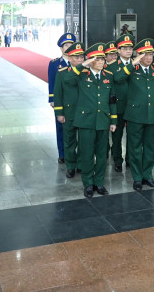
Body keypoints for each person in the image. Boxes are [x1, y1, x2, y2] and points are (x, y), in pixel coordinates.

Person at [61, 43, 117, 197]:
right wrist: (84, 64)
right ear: (91, 60)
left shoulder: (108, 76)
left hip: (103, 121)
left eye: (102, 59)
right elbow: (67, 79)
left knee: (101, 155)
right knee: (86, 154)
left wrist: (113, 121)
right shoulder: (81, 74)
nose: (102, 62)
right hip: (86, 121)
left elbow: (112, 100)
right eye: (98, 59)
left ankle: (99, 182)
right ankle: (88, 184)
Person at [117, 39, 154, 190]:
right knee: (135, 147)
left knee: (149, 147)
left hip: (151, 114)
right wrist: (132, 63)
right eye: (145, 54)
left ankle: (148, 176)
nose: (149, 57)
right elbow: (118, 78)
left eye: (151, 54)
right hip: (135, 114)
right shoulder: (131, 69)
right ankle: (137, 177)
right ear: (138, 55)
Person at [53, 42, 85, 178]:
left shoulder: (87, 72)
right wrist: (59, 113)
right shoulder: (62, 73)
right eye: (76, 57)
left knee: (84, 141)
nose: (79, 60)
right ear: (70, 58)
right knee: (70, 141)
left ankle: (82, 164)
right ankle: (71, 165)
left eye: (81, 57)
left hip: (84, 113)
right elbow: (58, 94)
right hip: (69, 112)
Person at [47, 33, 78, 164]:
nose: (69, 47)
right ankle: (63, 153)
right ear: (61, 48)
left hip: (77, 102)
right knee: (61, 128)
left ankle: (75, 154)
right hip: (61, 102)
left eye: (71, 45)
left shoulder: (79, 62)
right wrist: (52, 100)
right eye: (66, 45)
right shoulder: (54, 64)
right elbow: (52, 83)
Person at [109, 34, 135, 172]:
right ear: (118, 50)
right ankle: (118, 159)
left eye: (130, 48)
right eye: (124, 48)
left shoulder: (138, 65)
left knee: (132, 135)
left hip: (133, 107)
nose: (128, 51)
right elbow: (118, 79)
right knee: (117, 136)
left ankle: (130, 159)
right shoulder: (112, 66)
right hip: (119, 106)